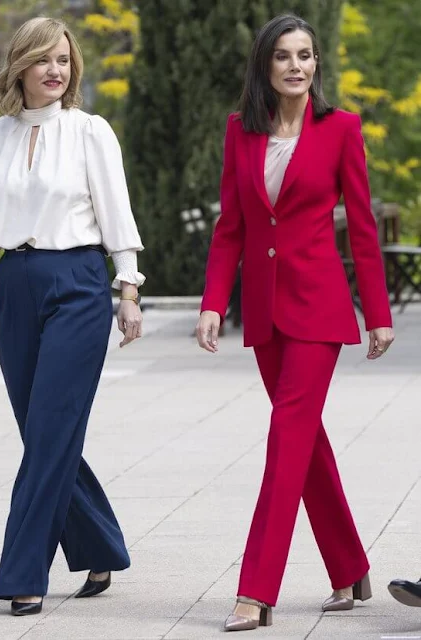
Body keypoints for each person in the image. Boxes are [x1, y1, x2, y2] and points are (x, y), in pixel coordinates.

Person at [0, 17, 145, 616]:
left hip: (78, 284)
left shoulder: (90, 132)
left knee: (50, 431)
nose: (57, 70)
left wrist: (127, 289)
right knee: (44, 432)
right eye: (45, 59)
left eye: (65, 60)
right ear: (20, 65)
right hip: (15, 287)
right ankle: (99, 544)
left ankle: (24, 573)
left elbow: (116, 214)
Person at [196, 14, 394, 632]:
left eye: (305, 55)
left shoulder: (341, 130)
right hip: (263, 311)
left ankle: (256, 590)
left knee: (285, 441)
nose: (296, 66)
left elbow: (362, 227)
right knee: (305, 444)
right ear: (265, 65)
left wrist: (379, 315)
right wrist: (211, 301)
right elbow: (232, 227)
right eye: (283, 56)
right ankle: (350, 565)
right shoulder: (240, 132)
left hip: (318, 309)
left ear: (316, 64)